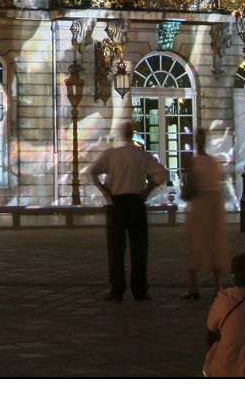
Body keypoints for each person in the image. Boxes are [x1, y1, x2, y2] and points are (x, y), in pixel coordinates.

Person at [86, 119, 169, 301]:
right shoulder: (141, 155)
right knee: (139, 248)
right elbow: (163, 173)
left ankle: (117, 289)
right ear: (132, 134)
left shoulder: (111, 154)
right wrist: (148, 189)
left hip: (117, 203)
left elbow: (92, 171)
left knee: (116, 248)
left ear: (120, 134)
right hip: (136, 201)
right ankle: (140, 290)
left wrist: (104, 189)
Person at [180, 128, 229, 300]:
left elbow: (189, 188)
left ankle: (194, 286)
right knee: (216, 243)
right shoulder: (214, 162)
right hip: (215, 204)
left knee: (196, 243)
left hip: (200, 204)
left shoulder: (193, 162)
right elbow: (220, 179)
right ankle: (218, 285)